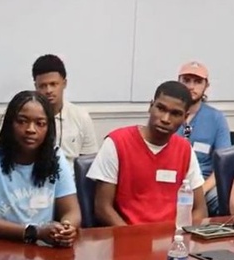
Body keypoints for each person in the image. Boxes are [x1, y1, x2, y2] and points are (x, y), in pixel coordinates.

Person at [0, 90, 81, 245]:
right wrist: (35, 232)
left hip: (39, 252)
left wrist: (66, 228)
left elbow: (72, 210)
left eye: (40, 123)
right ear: (9, 124)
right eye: (22, 121)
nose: (31, 129)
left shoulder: (56, 158)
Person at [88, 81, 207, 226]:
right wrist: (135, 238)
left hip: (173, 240)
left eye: (175, 114)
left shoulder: (184, 149)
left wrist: (181, 238)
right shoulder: (117, 142)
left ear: (185, 118)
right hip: (128, 237)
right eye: (161, 109)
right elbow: (103, 208)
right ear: (151, 106)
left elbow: (200, 209)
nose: (165, 119)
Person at [176, 61, 231, 216]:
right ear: (179, 83)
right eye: (186, 81)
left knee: (221, 198)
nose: (191, 86)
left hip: (204, 184)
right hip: (171, 182)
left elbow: (223, 165)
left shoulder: (216, 118)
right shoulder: (169, 115)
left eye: (198, 82)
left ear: (206, 85)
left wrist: (201, 191)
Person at [31, 54, 99, 164]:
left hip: (73, 179)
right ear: (36, 87)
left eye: (53, 84)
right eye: (43, 86)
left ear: (64, 83)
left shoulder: (81, 116)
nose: (48, 90)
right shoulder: (28, 118)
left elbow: (89, 162)